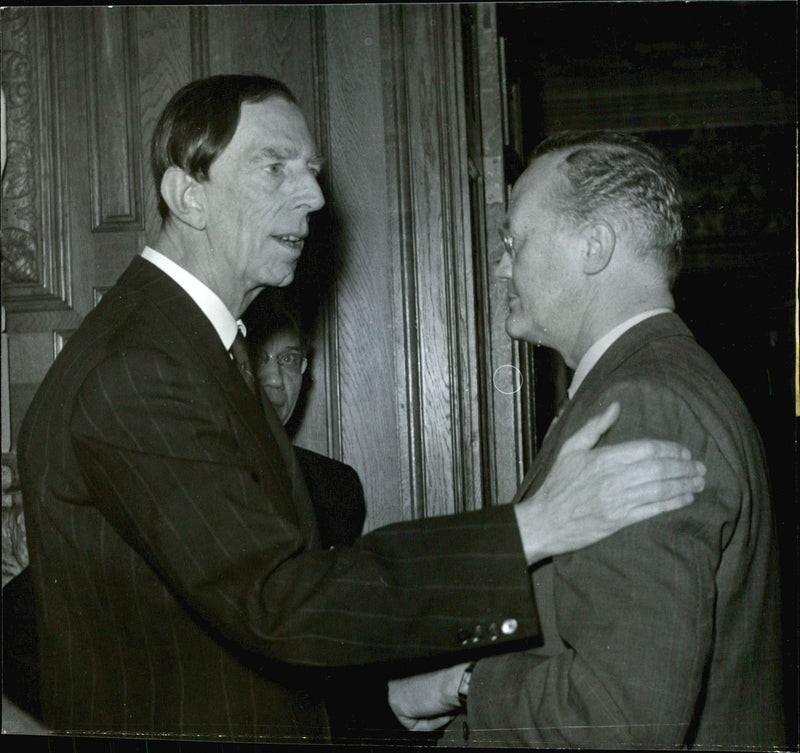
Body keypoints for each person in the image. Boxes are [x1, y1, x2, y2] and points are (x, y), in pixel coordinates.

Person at [17, 77, 706, 743]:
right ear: (187, 195)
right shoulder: (142, 366)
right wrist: (532, 528)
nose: (314, 196)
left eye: (312, 171)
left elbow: (227, 632)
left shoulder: (193, 346)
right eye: (275, 167)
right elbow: (276, 600)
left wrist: (395, 697)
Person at [388, 132, 784, 749]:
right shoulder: (659, 380)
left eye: (514, 242)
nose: (500, 266)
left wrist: (463, 683)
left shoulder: (644, 405)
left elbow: (621, 717)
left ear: (594, 246)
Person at [243, 295, 366, 549]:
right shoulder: (207, 474)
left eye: (288, 359)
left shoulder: (337, 486)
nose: (275, 380)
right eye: (257, 357)